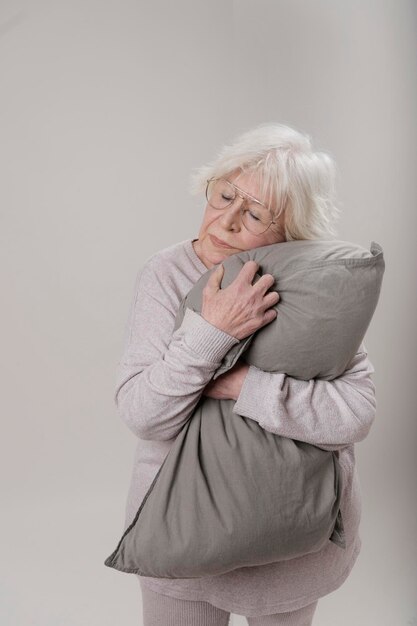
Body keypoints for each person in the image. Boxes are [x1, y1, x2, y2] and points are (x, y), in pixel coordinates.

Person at [113, 123, 377, 625]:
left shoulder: (317, 286)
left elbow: (355, 414)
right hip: (181, 536)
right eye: (224, 194)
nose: (226, 221)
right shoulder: (165, 274)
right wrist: (212, 331)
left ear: (291, 230)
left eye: (255, 213)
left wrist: (241, 385)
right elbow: (145, 416)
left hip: (293, 548)